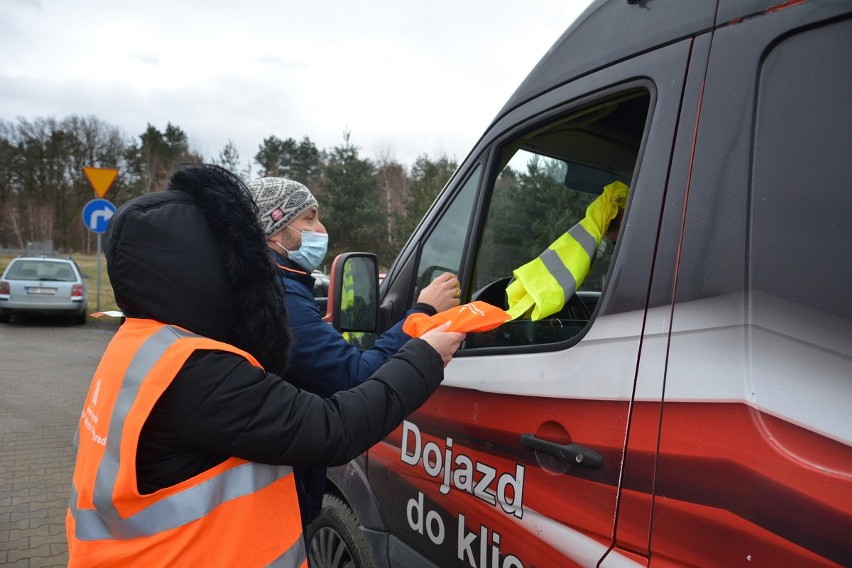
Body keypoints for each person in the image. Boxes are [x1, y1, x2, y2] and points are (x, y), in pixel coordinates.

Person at [65, 164, 465, 568]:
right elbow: (334, 428)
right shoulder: (196, 370)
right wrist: (424, 353)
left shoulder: (142, 343)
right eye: (230, 251)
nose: (243, 259)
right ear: (197, 262)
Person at [246, 176, 461, 527]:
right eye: (309, 218)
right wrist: (422, 313)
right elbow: (354, 376)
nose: (321, 227)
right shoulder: (278, 294)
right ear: (275, 227)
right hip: (277, 497)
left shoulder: (271, 285)